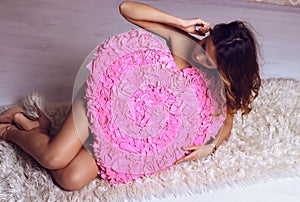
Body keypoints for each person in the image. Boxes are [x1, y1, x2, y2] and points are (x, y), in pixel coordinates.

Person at [0, 1, 261, 191]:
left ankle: (32, 124)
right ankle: (9, 131)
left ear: (227, 71)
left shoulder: (219, 89)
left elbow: (228, 119)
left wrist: (210, 146)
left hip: (124, 135)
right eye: (204, 46)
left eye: (208, 59)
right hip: (106, 97)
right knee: (53, 157)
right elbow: (127, 8)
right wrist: (181, 23)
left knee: (70, 178)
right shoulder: (186, 45)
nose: (198, 55)